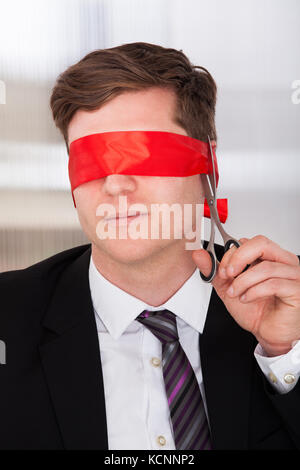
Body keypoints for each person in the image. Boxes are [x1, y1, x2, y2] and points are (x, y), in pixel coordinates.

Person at [0, 42, 300, 450]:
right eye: (90, 161)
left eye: (143, 154)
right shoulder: (7, 318)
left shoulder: (289, 300)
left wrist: (285, 353)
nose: (115, 183)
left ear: (208, 166)